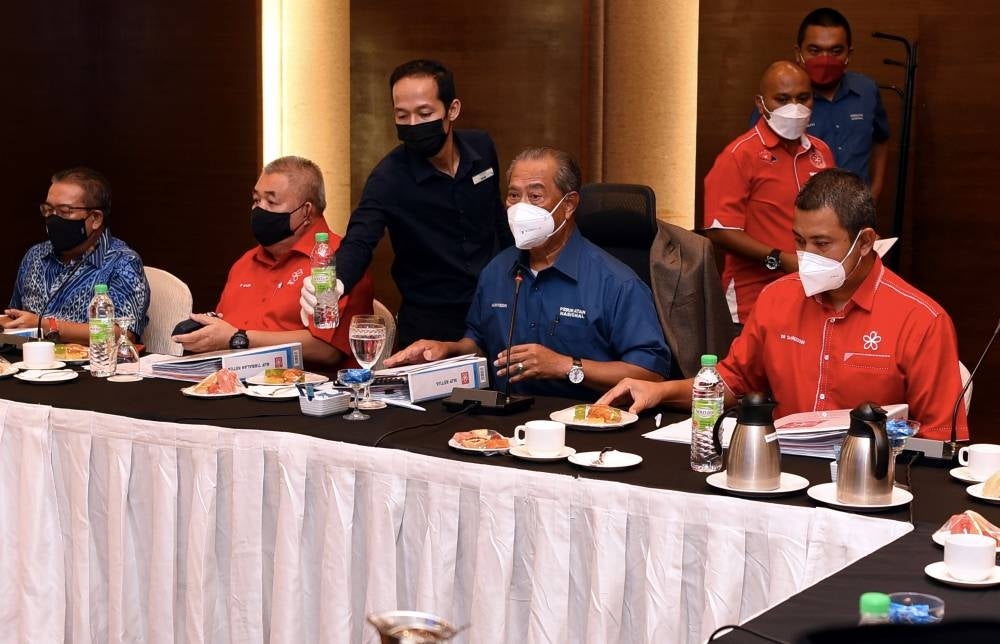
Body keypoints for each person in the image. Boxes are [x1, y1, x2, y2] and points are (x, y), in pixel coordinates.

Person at [599, 169, 969, 441]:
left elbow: (941, 436)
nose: (806, 256)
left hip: (870, 485)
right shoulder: (778, 297)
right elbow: (733, 382)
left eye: (822, 244)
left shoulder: (920, 319)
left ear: (866, 241)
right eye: (799, 241)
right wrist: (661, 391)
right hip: (780, 473)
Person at [383, 146, 671, 400]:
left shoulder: (616, 282)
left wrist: (565, 366)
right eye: (513, 195)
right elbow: (480, 344)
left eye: (535, 196)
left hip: (589, 427)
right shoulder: (496, 271)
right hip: (503, 426)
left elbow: (650, 374)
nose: (521, 208)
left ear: (568, 205)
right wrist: (446, 351)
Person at [300, 59, 511, 348]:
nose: (413, 125)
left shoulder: (482, 148)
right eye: (402, 115)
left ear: (452, 110)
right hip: (431, 322)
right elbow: (360, 240)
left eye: (424, 113)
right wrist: (336, 283)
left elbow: (496, 215)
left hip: (497, 307)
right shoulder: (389, 178)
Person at [173, 156, 373, 367]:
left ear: (306, 211)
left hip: (308, 390)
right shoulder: (245, 262)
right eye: (256, 200)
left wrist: (238, 338)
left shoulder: (341, 262)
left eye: (271, 201)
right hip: (235, 383)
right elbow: (225, 328)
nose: (259, 210)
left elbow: (327, 350)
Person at [706, 61, 835, 324]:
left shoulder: (821, 152)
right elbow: (719, 230)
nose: (795, 108)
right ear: (760, 103)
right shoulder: (739, 155)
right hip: (752, 300)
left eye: (803, 98)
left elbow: (834, 215)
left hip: (815, 295)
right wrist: (779, 259)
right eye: (782, 99)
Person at [750, 8, 890, 198]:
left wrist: (876, 190)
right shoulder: (778, 99)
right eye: (815, 51)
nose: (825, 60)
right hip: (800, 215)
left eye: (835, 51)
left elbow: (881, 140)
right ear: (799, 53)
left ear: (848, 54)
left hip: (857, 214)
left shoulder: (867, 91)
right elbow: (756, 157)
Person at [3, 167, 149, 343]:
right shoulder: (35, 255)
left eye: (64, 211)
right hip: (30, 363)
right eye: (48, 210)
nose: (53, 219)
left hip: (90, 366)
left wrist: (47, 326)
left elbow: (123, 334)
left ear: (95, 218)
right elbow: (15, 317)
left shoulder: (123, 262)